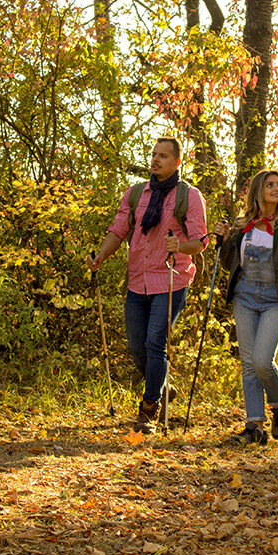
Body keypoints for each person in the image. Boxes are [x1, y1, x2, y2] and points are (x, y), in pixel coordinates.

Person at [87, 137, 208, 433]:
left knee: (156, 343)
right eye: (154, 155)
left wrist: (180, 245)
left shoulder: (189, 197)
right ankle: (163, 385)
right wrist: (101, 255)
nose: (155, 160)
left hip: (171, 280)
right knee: (136, 347)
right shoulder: (135, 193)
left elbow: (200, 242)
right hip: (137, 280)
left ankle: (149, 409)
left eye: (163, 156)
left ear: (178, 162)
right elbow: (119, 229)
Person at [215, 169, 278, 445]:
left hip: (276, 298)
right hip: (245, 296)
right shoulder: (241, 224)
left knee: (261, 361)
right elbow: (227, 264)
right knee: (248, 364)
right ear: (258, 190)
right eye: (270, 184)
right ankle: (254, 427)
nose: (276, 188)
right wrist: (223, 242)